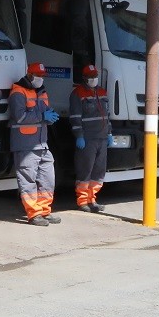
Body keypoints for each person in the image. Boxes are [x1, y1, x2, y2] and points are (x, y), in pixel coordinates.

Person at [9, 61, 59, 224]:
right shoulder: (18, 91)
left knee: (48, 179)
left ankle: (44, 210)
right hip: (25, 144)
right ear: (30, 75)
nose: (41, 79)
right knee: (28, 180)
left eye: (42, 76)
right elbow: (20, 117)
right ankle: (33, 214)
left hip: (42, 143)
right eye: (38, 75)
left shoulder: (41, 92)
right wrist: (43, 116)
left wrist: (50, 116)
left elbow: (46, 112)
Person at [67, 63, 114, 211]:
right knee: (85, 169)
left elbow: (107, 115)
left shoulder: (102, 92)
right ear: (84, 78)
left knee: (99, 171)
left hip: (102, 138)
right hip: (88, 139)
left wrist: (109, 133)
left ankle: (92, 199)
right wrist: (79, 136)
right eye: (90, 77)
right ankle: (82, 201)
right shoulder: (77, 93)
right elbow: (75, 117)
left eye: (95, 76)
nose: (93, 79)